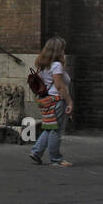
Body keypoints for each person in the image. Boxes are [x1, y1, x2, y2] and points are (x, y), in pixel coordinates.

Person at [30, 37, 74, 166]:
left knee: (49, 127)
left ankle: (37, 151)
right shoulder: (56, 65)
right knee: (57, 130)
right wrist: (70, 102)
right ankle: (56, 159)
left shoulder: (42, 65)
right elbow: (60, 86)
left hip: (46, 100)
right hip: (57, 100)